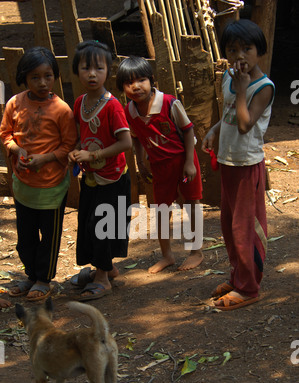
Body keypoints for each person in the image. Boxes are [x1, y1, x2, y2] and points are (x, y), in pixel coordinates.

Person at [201, 19, 275, 311]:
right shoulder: (229, 78)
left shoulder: (263, 87)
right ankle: (238, 276)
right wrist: (215, 130)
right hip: (228, 160)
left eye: (247, 48)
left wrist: (243, 89)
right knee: (229, 225)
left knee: (245, 227)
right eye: (233, 49)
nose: (240, 55)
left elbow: (245, 125)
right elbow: (231, 113)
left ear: (260, 50)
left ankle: (249, 288)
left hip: (246, 163)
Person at [0, 47, 78, 301]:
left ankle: (44, 279)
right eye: (35, 77)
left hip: (52, 186)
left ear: (54, 76)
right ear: (24, 78)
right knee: (25, 237)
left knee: (50, 236)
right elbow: (5, 134)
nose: (42, 82)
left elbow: (68, 145)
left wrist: (45, 158)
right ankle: (31, 275)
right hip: (24, 184)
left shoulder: (62, 110)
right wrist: (16, 150)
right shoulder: (15, 103)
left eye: (47, 76)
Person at [116, 56, 203, 274]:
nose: (136, 86)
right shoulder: (130, 111)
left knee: (191, 204)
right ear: (122, 88)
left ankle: (196, 251)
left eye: (141, 80)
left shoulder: (169, 103)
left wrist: (190, 163)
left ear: (152, 80)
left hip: (183, 162)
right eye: (129, 83)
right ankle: (167, 255)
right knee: (161, 210)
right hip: (159, 166)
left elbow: (188, 129)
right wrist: (140, 160)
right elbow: (135, 137)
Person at [69, 40, 132, 300]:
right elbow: (80, 136)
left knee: (103, 226)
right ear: (77, 71)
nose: (92, 74)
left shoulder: (112, 106)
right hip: (92, 177)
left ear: (109, 72)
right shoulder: (80, 103)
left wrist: (92, 154)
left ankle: (103, 278)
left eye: (99, 68)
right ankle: (106, 267)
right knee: (88, 223)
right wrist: (76, 150)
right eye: (86, 68)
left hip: (113, 178)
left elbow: (125, 142)